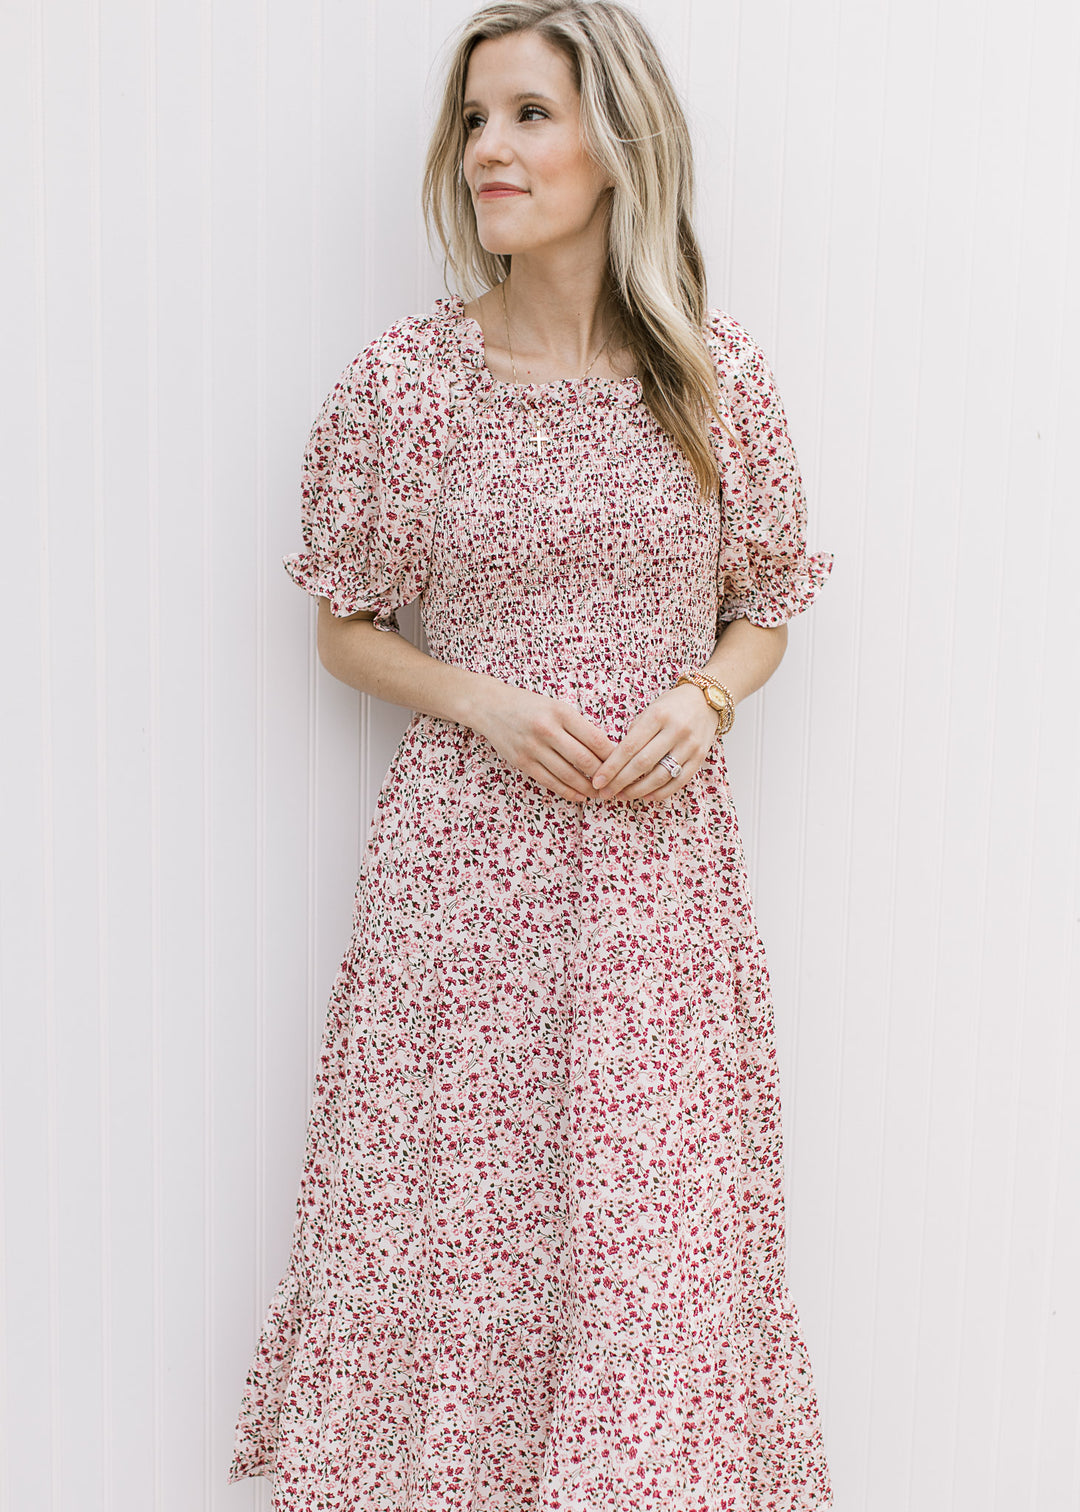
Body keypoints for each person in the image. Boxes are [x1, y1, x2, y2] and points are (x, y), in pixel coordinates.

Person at [227, 1, 834, 1507]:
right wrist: (486, 703)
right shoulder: (406, 387)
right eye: (476, 120)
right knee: (462, 1237)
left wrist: (706, 697)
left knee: (653, 1247)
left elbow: (768, 603)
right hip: (463, 893)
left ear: (619, 145)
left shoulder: (713, 380)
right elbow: (346, 629)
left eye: (528, 116)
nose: (489, 149)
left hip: (654, 894)